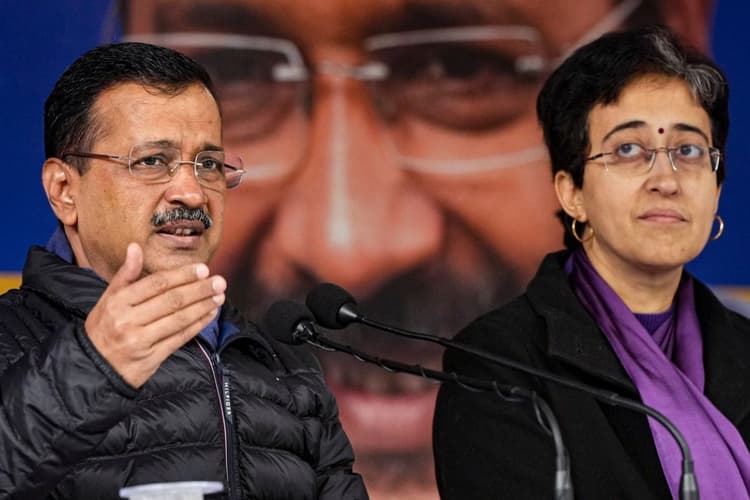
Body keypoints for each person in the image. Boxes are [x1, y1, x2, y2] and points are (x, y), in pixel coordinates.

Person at [118, 1, 716, 497]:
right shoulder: (93, 409)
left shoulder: (724, 376)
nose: (345, 247)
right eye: (237, 71)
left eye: (457, 67)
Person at [0, 42, 367, 499]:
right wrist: (92, 364)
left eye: (208, 164)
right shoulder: (9, 339)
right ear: (64, 190)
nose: (192, 194)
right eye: (152, 161)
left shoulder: (281, 363)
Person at [433, 25, 750, 499]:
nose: (666, 180)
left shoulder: (744, 348)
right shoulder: (499, 365)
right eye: (629, 149)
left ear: (717, 188)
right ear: (573, 193)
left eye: (687, 151)